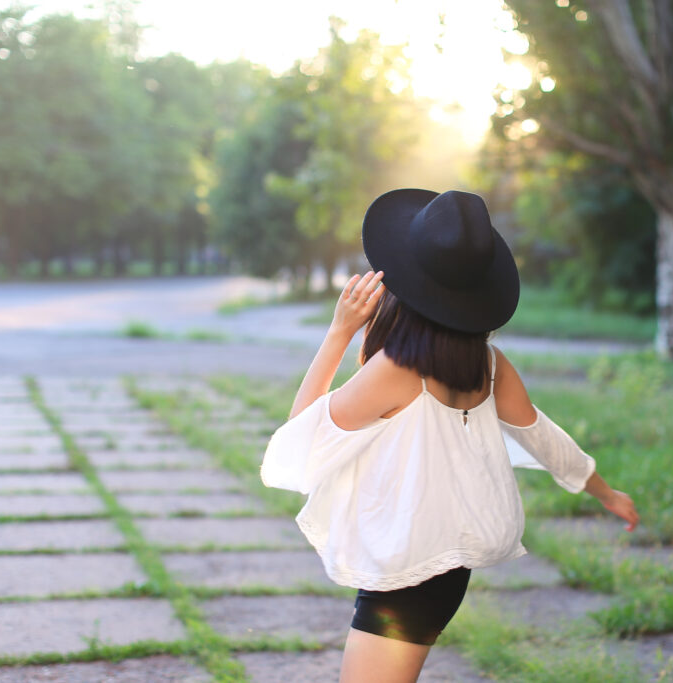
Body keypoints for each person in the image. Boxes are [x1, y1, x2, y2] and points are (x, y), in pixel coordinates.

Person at [261, 189, 639, 683]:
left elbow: (301, 440)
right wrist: (605, 492)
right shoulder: (488, 364)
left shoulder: (395, 369)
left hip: (405, 573)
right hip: (444, 570)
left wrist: (338, 333)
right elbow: (543, 436)